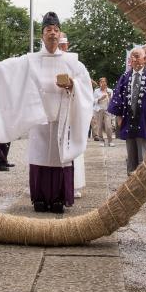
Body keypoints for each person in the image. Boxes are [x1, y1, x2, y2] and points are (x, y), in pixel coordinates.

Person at [0, 12, 93, 213]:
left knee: (60, 157)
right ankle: (40, 198)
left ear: (60, 35)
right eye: (48, 30)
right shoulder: (31, 59)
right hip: (39, 116)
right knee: (41, 156)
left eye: (56, 30)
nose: (52, 34)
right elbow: (6, 68)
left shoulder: (72, 62)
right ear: (42, 36)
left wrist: (73, 84)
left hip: (62, 115)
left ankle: (59, 198)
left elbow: (85, 86)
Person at [108, 47, 146, 175]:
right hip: (128, 119)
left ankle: (144, 179)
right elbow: (117, 96)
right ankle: (131, 180)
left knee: (144, 152)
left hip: (145, 120)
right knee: (130, 152)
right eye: (132, 57)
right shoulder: (125, 77)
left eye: (137, 56)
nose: (134, 59)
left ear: (145, 59)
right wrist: (119, 117)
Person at [59, 32, 85, 199]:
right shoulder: (46, 61)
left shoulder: (76, 63)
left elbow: (84, 86)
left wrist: (72, 84)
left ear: (67, 45)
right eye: (58, 45)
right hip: (53, 113)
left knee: (72, 146)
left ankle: (74, 184)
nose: (61, 48)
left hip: (71, 109)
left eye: (63, 45)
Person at [93, 77, 115, 147]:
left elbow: (112, 102)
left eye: (104, 81)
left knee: (108, 126)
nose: (103, 83)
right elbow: (93, 101)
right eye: (101, 82)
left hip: (107, 110)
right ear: (99, 83)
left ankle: (110, 141)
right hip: (98, 110)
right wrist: (100, 98)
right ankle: (101, 140)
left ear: (106, 83)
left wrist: (109, 96)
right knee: (99, 127)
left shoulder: (110, 91)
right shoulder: (96, 91)